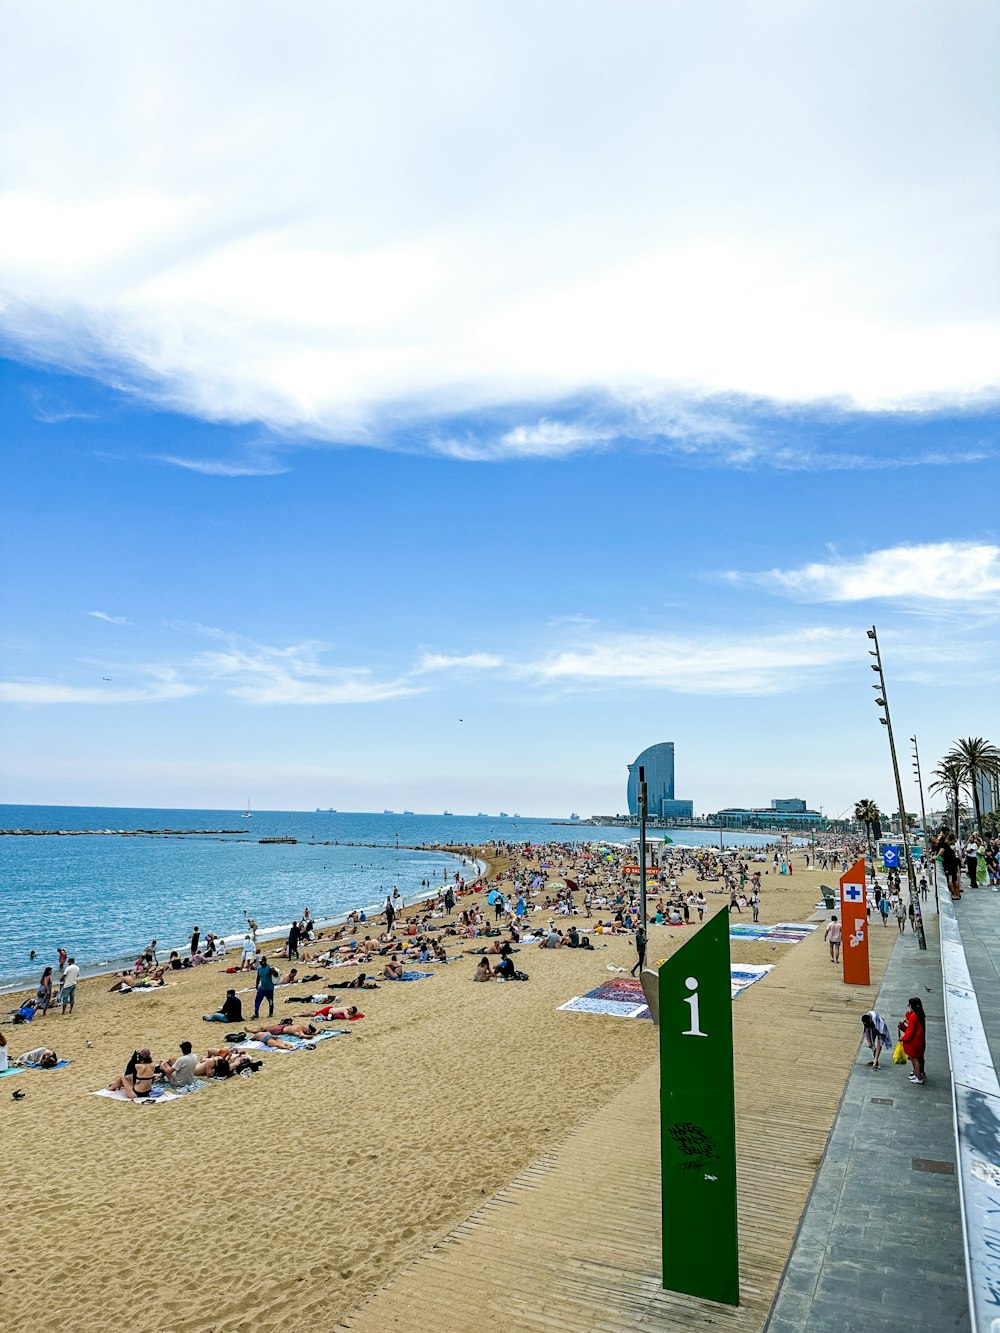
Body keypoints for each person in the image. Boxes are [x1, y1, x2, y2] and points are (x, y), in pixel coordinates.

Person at [899, 997, 927, 1084]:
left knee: (914, 1059)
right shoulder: (920, 1015)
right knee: (917, 1059)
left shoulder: (914, 1017)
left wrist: (902, 1038)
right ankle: (918, 1074)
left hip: (914, 1043)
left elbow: (910, 1032)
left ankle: (918, 1077)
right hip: (920, 1042)